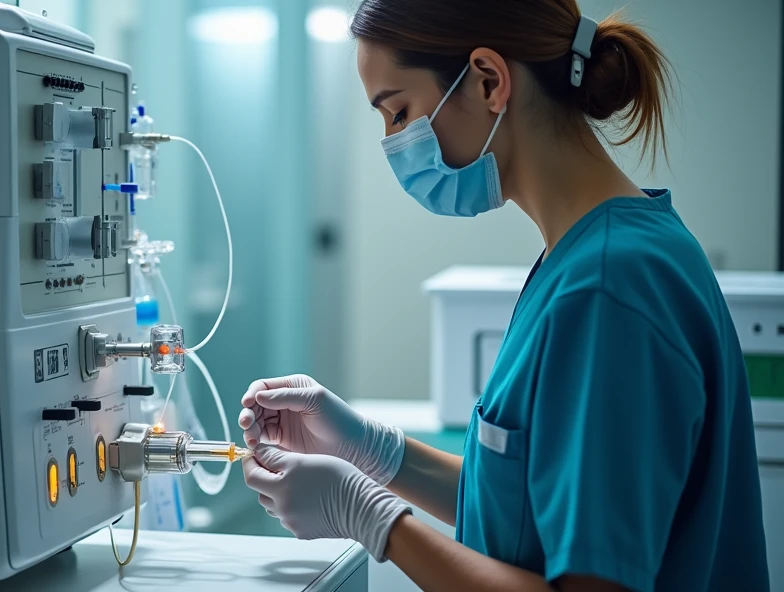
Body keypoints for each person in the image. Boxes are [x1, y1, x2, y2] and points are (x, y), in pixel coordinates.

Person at [238, 1, 771, 590]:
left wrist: (372, 519)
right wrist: (372, 451)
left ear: (489, 81)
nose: (393, 141)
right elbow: (523, 507)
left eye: (399, 112)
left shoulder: (608, 289)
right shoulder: (588, 255)